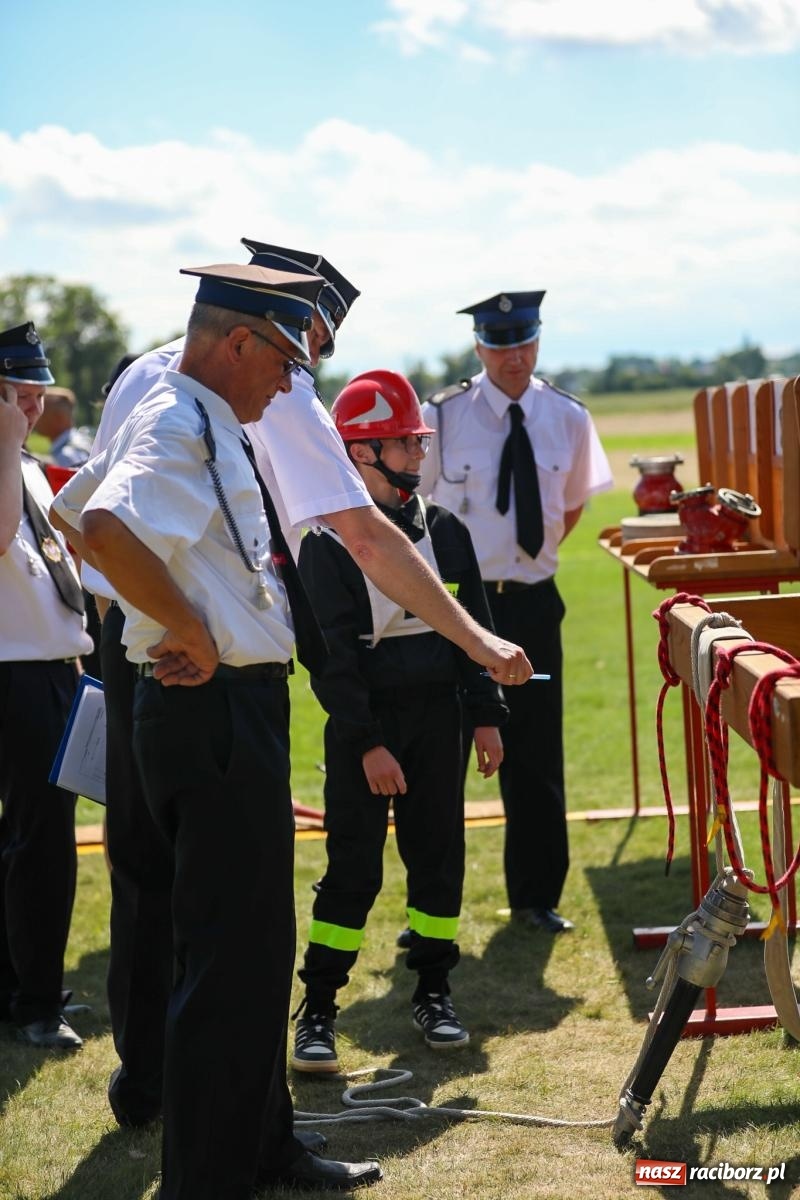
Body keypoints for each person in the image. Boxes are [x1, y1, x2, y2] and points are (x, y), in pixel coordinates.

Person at [69, 262, 383, 1199]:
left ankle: (262, 1148)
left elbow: (68, 509)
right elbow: (101, 526)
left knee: (250, 953)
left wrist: (172, 617)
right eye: (287, 360)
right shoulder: (178, 415)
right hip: (210, 711)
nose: (292, 384)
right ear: (239, 341)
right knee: (226, 962)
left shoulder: (195, 407)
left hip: (223, 706)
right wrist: (190, 627)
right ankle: (213, 1178)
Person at [292, 371, 507, 1074]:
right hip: (370, 728)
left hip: (439, 721)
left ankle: (434, 992)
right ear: (361, 454)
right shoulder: (329, 542)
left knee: (437, 862)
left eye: (419, 440)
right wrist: (369, 743)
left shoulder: (446, 530)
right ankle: (318, 1009)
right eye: (405, 442)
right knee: (353, 869)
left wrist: (484, 718)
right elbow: (331, 663)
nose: (420, 452)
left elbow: (474, 630)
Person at [420, 291, 613, 934]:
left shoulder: (567, 416)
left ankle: (535, 898)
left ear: (538, 341)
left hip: (530, 604)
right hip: (455, 608)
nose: (515, 357)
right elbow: (409, 516)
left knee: (535, 755)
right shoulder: (443, 417)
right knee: (438, 758)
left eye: (525, 342)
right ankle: (429, 904)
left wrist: (527, 557)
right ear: (479, 347)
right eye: (501, 345)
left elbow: (571, 507)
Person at [0, 322, 93, 1050]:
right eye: (18, 396)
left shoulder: (24, 464)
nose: (32, 410)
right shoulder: (8, 458)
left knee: (38, 841)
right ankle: (33, 1001)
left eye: (36, 395)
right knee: (39, 846)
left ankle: (27, 987)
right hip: (13, 675)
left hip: (52, 670)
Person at [34, 386, 93, 466]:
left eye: (42, 414)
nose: (35, 417)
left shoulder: (66, 456)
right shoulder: (79, 441)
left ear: (58, 418)